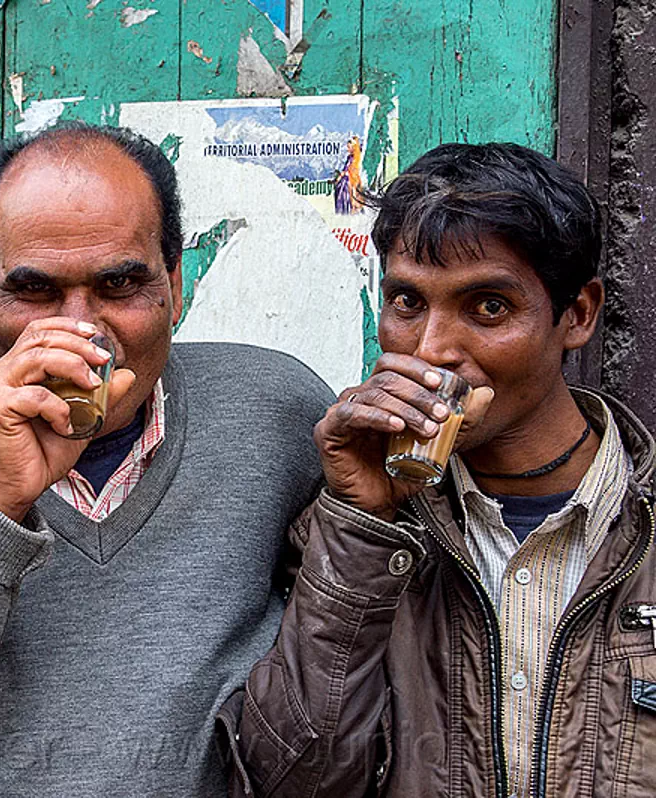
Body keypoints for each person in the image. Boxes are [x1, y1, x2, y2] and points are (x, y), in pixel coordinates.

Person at [0, 122, 334, 796]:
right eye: (37, 290)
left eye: (119, 284)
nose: (81, 329)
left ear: (175, 281)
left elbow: (350, 673)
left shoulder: (275, 414)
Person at [219, 142, 656, 797]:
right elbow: (294, 781)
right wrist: (362, 523)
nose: (432, 351)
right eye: (407, 303)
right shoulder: (348, 529)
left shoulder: (640, 529)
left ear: (578, 314)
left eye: (488, 307)